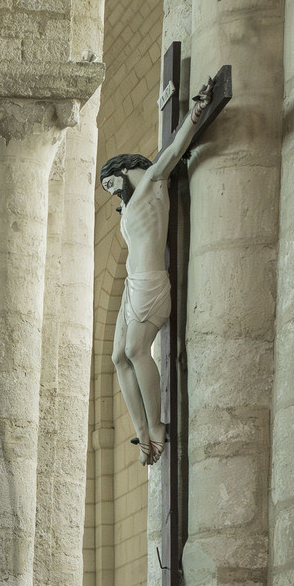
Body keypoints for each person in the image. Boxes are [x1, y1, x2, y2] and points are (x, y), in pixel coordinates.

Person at [99, 85, 212, 465]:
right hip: (134, 286)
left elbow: (176, 149)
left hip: (150, 284)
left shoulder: (151, 182)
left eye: (112, 183)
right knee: (117, 357)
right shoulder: (131, 203)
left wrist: (196, 112)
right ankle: (144, 432)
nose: (113, 193)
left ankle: (158, 425)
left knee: (135, 350)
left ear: (124, 169)